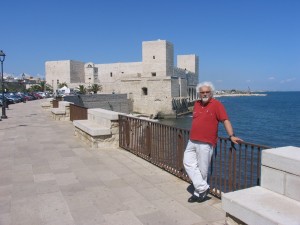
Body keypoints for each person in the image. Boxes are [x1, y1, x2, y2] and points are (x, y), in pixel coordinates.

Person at [183, 81, 242, 203]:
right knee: (187, 162)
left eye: (207, 92)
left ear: (211, 93)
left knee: (203, 170)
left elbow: (225, 120)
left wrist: (231, 135)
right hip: (192, 140)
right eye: (202, 92)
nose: (204, 94)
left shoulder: (217, 105)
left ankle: (198, 193)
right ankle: (203, 187)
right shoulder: (196, 104)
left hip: (206, 142)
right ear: (199, 94)